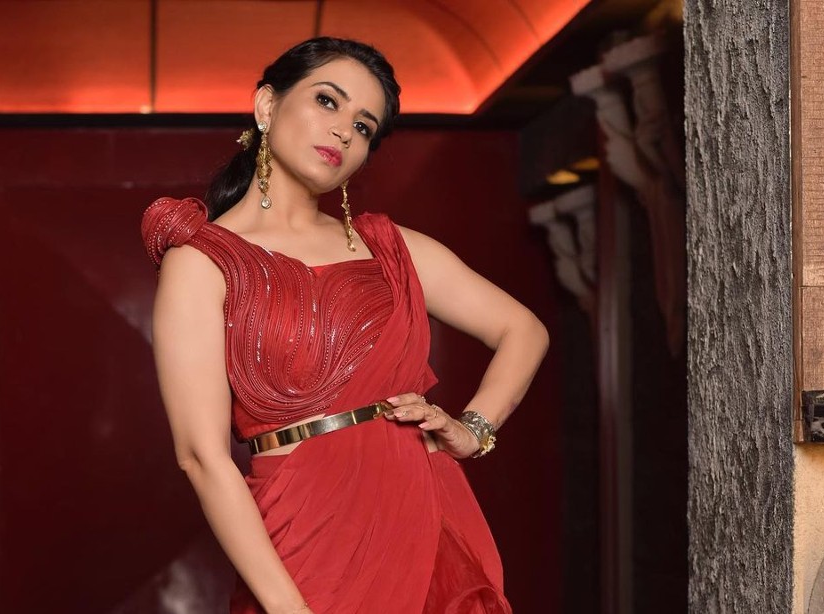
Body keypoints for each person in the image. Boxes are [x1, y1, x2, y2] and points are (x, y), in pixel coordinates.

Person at [141, 37, 549, 614]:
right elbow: (201, 457)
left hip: (419, 514)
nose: (343, 132)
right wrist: (289, 609)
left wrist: (474, 428)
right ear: (266, 105)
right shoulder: (201, 262)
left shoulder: (390, 248)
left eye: (363, 126)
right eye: (327, 101)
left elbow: (523, 330)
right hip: (304, 538)